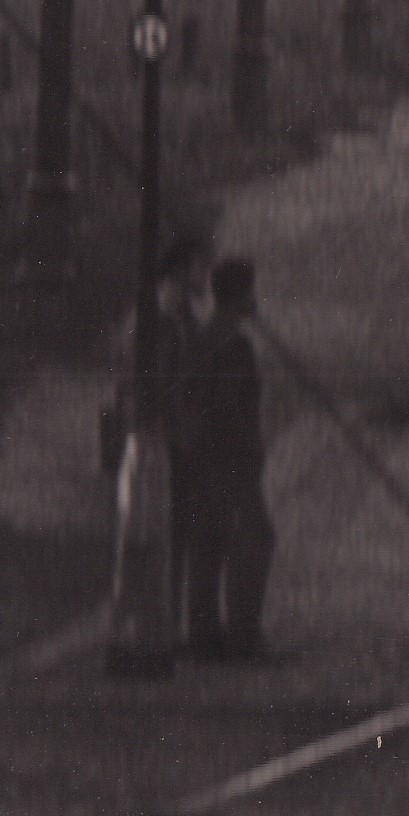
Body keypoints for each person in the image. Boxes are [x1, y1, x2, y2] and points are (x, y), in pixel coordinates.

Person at [104, 236, 201, 678]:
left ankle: (136, 634)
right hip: (152, 440)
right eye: (198, 269)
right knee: (148, 540)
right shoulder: (160, 327)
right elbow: (162, 390)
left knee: (143, 539)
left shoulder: (154, 322)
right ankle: (141, 639)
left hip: (143, 439)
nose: (203, 278)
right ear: (179, 273)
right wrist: (184, 432)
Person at [177, 254, 274, 657]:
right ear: (242, 293)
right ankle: (243, 636)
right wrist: (251, 449)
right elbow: (229, 405)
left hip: (198, 454)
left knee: (207, 541)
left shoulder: (200, 337)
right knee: (256, 538)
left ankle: (202, 633)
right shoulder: (235, 344)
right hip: (230, 456)